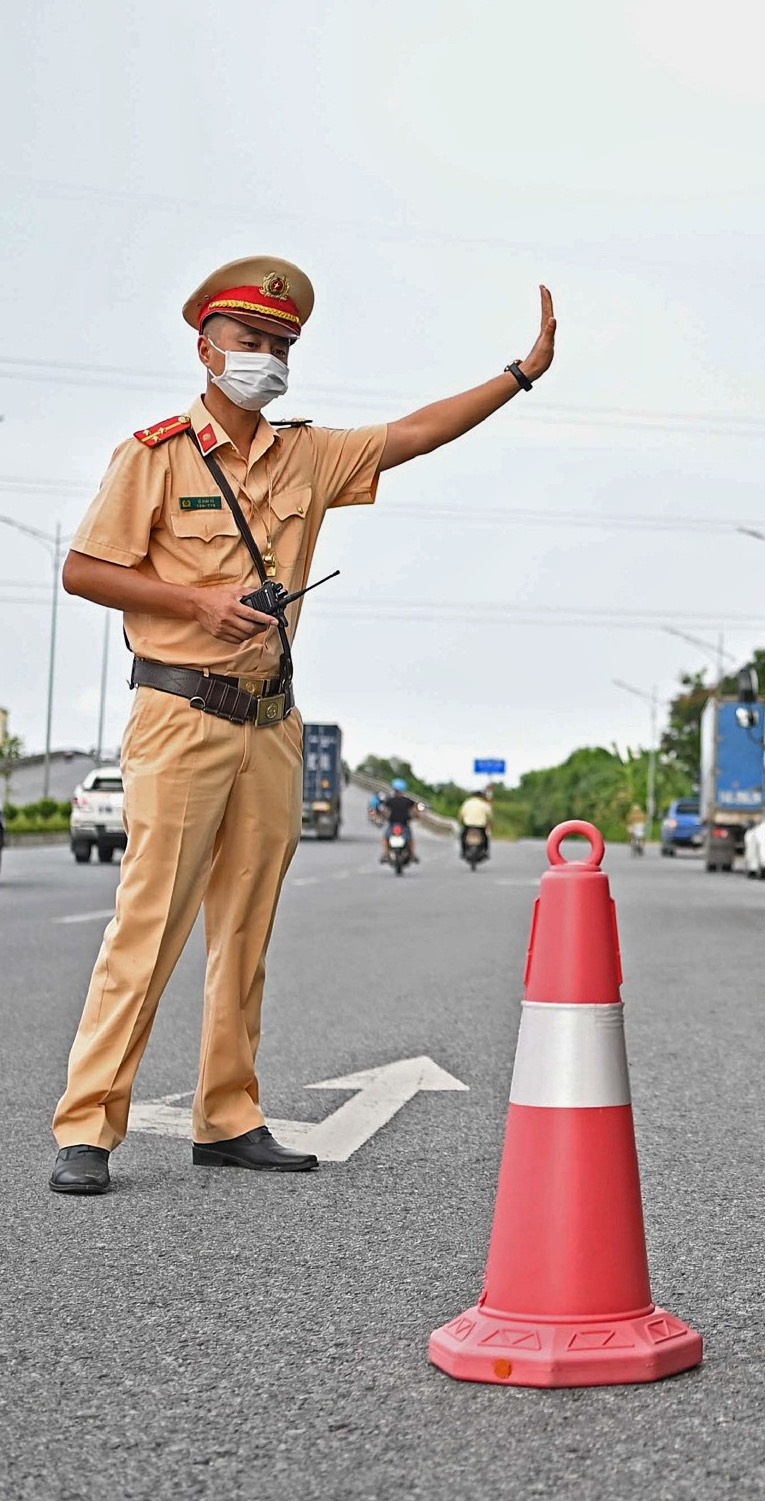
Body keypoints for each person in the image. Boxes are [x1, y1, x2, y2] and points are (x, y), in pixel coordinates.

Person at [46, 256, 557, 1195]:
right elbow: (82, 569)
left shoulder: (307, 456)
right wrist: (196, 602)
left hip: (272, 722)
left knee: (245, 929)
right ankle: (89, 1123)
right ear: (206, 348)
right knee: (149, 923)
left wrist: (517, 377)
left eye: (282, 345)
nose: (268, 357)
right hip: (181, 712)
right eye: (251, 341)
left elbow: (412, 435)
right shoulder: (154, 454)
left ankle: (228, 1114)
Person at [380, 779, 422, 865]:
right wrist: (416, 816)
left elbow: (384, 812)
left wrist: (383, 817)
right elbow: (415, 811)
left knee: (386, 838)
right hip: (404, 825)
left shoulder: (390, 800)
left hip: (393, 824)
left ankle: (385, 854)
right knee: (410, 839)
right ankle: (412, 854)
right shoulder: (408, 801)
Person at [458, 785, 493, 857]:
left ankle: (463, 851)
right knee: (485, 837)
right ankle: (485, 851)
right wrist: (489, 822)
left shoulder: (467, 803)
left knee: (462, 836)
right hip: (480, 826)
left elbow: (461, 814)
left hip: (468, 825)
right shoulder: (484, 804)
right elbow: (489, 815)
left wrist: (461, 822)